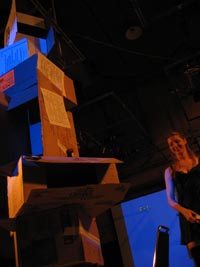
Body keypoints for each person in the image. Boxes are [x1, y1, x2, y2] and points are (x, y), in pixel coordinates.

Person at [164, 131, 200, 266]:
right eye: (171, 144)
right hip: (188, 218)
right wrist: (185, 212)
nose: (174, 145)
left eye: (176, 141)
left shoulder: (198, 161)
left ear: (184, 141)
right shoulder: (170, 171)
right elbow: (170, 199)